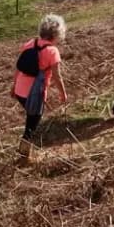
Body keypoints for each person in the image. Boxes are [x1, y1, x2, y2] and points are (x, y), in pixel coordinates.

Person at [14, 13, 68, 161]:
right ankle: (24, 153)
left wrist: (13, 87)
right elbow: (57, 76)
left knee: (31, 117)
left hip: (20, 90)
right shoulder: (53, 51)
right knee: (33, 122)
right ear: (57, 35)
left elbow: (18, 68)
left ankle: (25, 150)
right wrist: (63, 94)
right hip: (34, 93)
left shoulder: (30, 43)